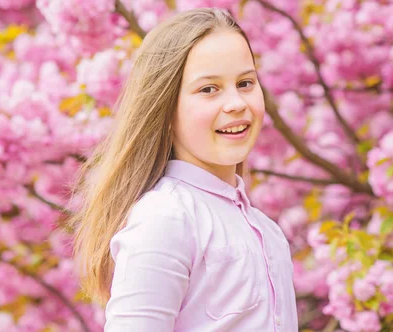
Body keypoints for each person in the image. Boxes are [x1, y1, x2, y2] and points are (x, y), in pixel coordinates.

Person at [70, 8, 298, 332]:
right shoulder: (167, 218)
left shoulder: (268, 233)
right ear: (166, 106)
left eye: (245, 83)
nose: (235, 103)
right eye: (209, 89)